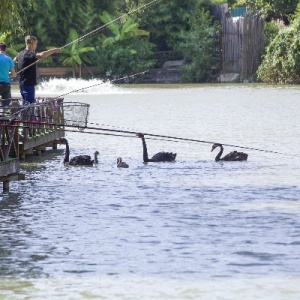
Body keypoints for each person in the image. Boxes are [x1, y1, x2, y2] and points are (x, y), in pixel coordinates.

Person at [14, 35, 60, 104]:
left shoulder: (20, 53)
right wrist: (54, 50)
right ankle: (26, 115)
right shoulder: (29, 53)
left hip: (22, 84)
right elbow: (42, 55)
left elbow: (15, 59)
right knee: (29, 105)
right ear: (31, 44)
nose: (36, 46)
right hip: (28, 84)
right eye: (36, 44)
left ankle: (24, 114)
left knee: (25, 103)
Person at [0, 42, 16, 108]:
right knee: (6, 104)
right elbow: (14, 74)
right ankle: (4, 115)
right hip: (5, 84)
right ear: (5, 50)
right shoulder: (9, 59)